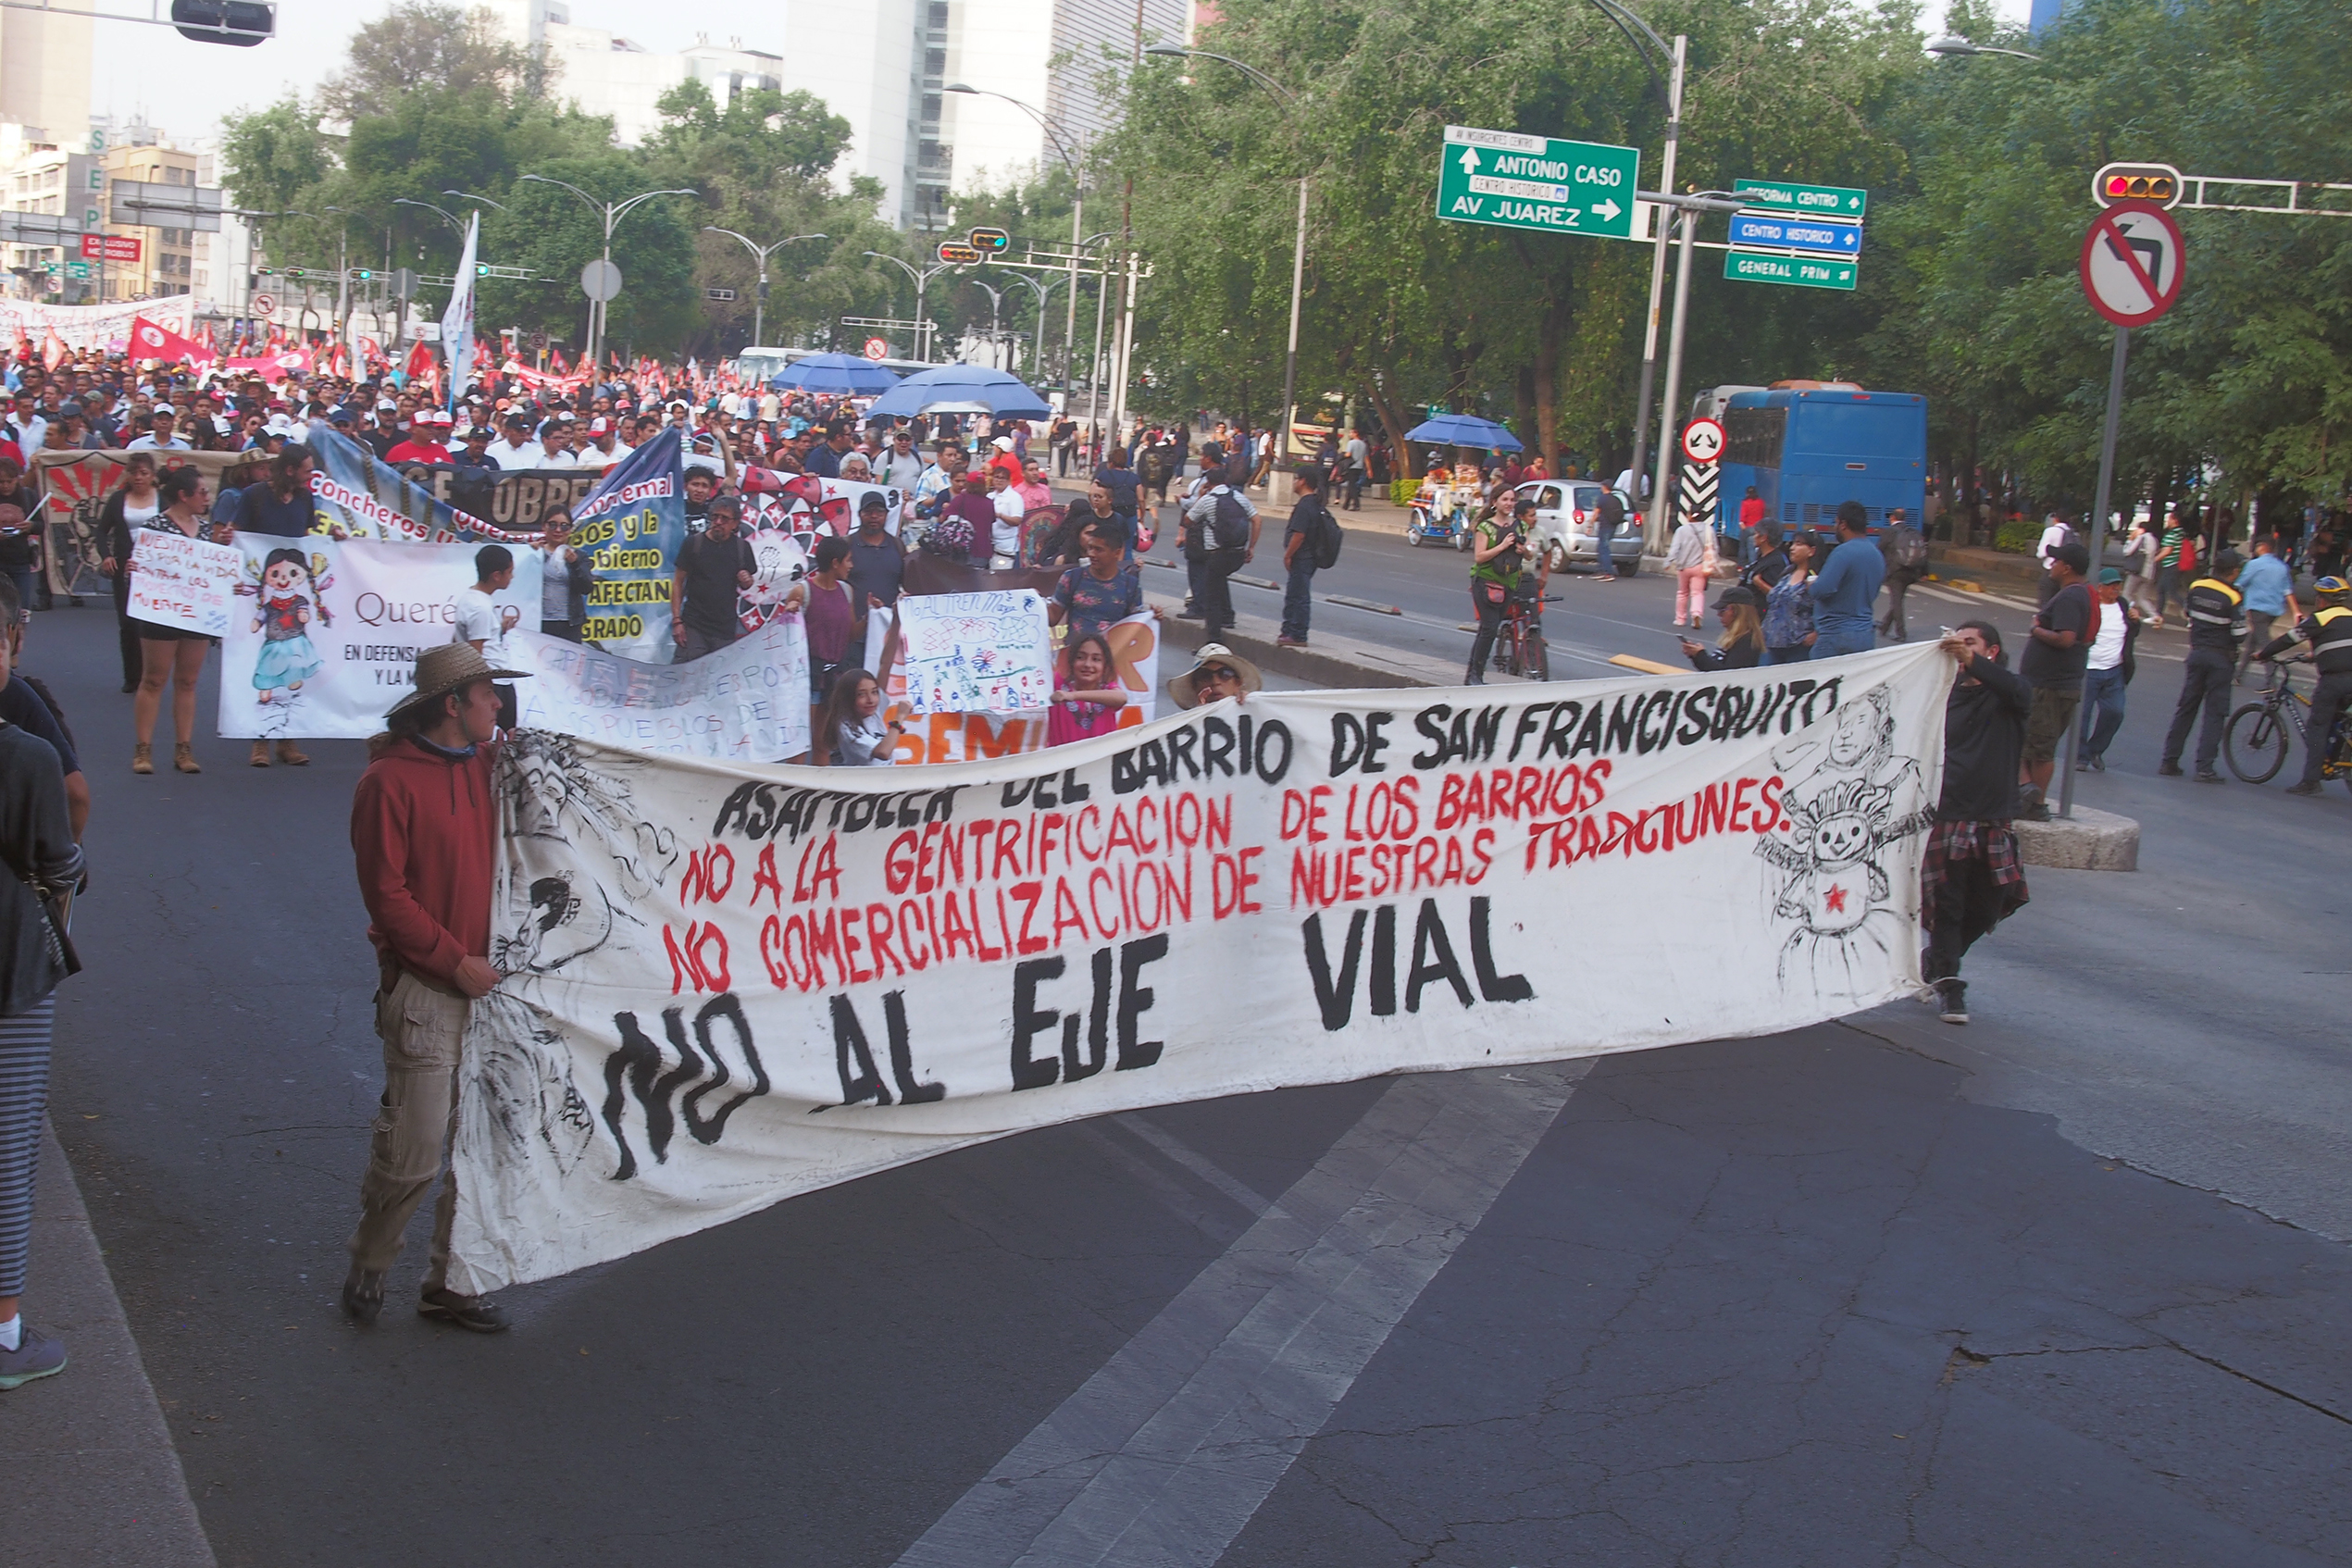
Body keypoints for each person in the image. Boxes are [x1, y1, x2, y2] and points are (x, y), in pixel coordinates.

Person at [342, 643, 528, 1334]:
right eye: (488, 695)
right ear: (453, 704)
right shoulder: (387, 784)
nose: (499, 706)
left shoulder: (490, 769)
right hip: (428, 988)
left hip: (496, 992)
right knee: (415, 1151)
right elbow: (386, 897)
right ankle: (372, 1259)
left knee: (482, 1148)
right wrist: (453, 961)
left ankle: (453, 1281)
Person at [0, 596, 84, 1390]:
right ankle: (5, 1334)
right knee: (8, 1146)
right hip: (13, 968)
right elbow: (61, 862)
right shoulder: (23, 753)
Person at [1922, 622, 2032, 1026]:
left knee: (1989, 907)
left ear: (1993, 651)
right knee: (1948, 907)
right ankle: (1951, 986)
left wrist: (1974, 663)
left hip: (1992, 818)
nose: (1962, 650)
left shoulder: (2008, 696)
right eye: (1959, 643)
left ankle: (1936, 960)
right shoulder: (1943, 697)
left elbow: (2020, 691)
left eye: (1972, 644)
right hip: (1949, 815)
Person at [128, 467, 222, 776]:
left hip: (196, 615)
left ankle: (184, 748)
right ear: (184, 495)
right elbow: (142, 564)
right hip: (161, 614)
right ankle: (143, 748)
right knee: (154, 678)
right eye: (202, 491)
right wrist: (135, 567)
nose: (207, 497)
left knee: (188, 681)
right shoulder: (155, 527)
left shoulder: (207, 530)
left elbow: (214, 572)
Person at [2255, 575, 2352, 796]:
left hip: (2334, 682)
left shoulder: (2319, 619)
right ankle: (2334, 760)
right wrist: (2315, 655)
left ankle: (2311, 781)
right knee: (2338, 722)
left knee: (2317, 727)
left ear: (2322, 600)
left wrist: (2263, 653)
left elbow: (2288, 639)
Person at [2015, 541, 2092, 818]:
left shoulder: (2071, 597)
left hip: (2050, 685)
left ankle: (2036, 802)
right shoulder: (2077, 594)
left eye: (2056, 561)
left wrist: (2036, 630)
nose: (2052, 565)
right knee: (2029, 741)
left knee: (2040, 747)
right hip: (2054, 682)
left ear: (2067, 568)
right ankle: (2025, 793)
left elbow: (2065, 638)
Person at [2158, 547, 2246, 782]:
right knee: (2214, 714)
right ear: (2234, 572)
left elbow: (2189, 612)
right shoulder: (2234, 596)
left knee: (2186, 708)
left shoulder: (2197, 586)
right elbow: (2240, 634)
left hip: (2197, 654)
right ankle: (2204, 767)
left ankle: (2169, 760)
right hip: (2220, 659)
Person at [671, 494, 756, 662]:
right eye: (715, 517)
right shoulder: (693, 543)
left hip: (725, 629)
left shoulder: (741, 548)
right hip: (694, 625)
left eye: (724, 519)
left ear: (735, 523)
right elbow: (678, 583)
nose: (718, 522)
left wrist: (747, 580)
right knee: (687, 675)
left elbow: (748, 583)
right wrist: (677, 621)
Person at [1183, 458, 1259, 641]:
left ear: (1208, 482)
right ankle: (1228, 616)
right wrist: (1251, 547)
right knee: (1220, 581)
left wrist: (1200, 497)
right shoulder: (1239, 497)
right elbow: (1257, 520)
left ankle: (1213, 641)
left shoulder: (1208, 500)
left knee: (1212, 599)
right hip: (1237, 553)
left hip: (1216, 554)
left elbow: (1188, 521)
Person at [2075, 567, 2141, 773]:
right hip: (2089, 670)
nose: (2116, 588)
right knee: (2082, 716)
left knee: (2115, 712)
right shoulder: (2090, 606)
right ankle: (2081, 756)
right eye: (2112, 585)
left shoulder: (2122, 606)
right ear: (2100, 588)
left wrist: (2135, 620)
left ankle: (2096, 749)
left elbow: (2132, 633)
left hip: (2114, 670)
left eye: (2118, 585)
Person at [1465, 494, 1536, 684]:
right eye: (1504, 499)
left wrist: (1524, 550)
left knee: (1488, 629)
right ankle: (1475, 675)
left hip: (1510, 582)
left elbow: (1529, 555)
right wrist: (1503, 546)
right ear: (1495, 502)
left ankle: (1473, 673)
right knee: (1489, 628)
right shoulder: (1485, 527)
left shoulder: (1520, 526)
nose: (1509, 504)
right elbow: (1479, 557)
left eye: (1512, 500)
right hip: (1486, 581)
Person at [452, 544, 522, 731]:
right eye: (510, 572)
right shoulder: (479, 608)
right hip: (494, 681)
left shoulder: (473, 600)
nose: (512, 577)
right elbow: (476, 654)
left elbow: (461, 640)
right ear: (496, 575)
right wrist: (483, 691)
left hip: (497, 680)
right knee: (502, 737)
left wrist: (500, 629)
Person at [1050, 516, 1147, 642]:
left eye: (1099, 550)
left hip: (1112, 658)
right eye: (1090, 548)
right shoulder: (1071, 578)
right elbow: (1052, 617)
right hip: (1074, 657)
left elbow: (1137, 628)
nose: (1091, 554)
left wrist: (1154, 617)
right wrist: (1033, 602)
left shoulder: (1130, 585)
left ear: (1116, 553)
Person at [1808, 502, 1884, 659]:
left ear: (1843, 524)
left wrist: (1812, 585)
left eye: (1835, 522)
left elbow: (1822, 589)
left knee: (1823, 680)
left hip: (1836, 634)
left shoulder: (1842, 552)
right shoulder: (1876, 554)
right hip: (1865, 634)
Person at [801, 537, 857, 742]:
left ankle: (821, 774)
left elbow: (851, 634)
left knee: (824, 742)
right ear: (835, 563)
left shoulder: (846, 591)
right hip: (809, 675)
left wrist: (872, 616)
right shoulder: (802, 591)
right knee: (801, 742)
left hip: (834, 676)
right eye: (848, 560)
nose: (851, 566)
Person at [1278, 466, 1336, 647]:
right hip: (1309, 557)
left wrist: (1288, 555)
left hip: (1302, 557)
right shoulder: (1315, 504)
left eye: (1296, 479)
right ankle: (1289, 630)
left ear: (1303, 481)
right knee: (1295, 595)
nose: (1294, 482)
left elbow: (1299, 534)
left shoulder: (1304, 506)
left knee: (1298, 596)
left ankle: (1297, 633)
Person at [2233, 536, 2296, 682]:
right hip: (2274, 610)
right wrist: (2295, 611)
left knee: (2265, 644)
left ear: (2261, 547)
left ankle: (2271, 679)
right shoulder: (2282, 566)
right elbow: (2288, 591)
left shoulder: (2254, 564)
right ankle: (2238, 675)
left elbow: (2240, 584)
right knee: (2252, 642)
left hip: (2257, 608)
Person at [1049, 631, 1128, 747]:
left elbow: (1122, 698)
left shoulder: (1108, 691)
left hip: (1100, 762)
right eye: (1081, 657)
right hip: (1062, 762)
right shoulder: (1057, 685)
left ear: (1105, 666)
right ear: (1071, 662)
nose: (1087, 664)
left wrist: (1072, 696)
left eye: (1096, 659)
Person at [232, 445, 319, 539]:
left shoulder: (306, 497)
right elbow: (234, 534)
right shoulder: (253, 494)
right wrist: (225, 538)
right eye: (307, 472)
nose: (311, 476)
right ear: (290, 471)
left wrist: (332, 537)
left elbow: (305, 536)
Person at [534, 508, 593, 642]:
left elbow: (587, 588)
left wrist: (575, 564)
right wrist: (529, 552)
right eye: (553, 525)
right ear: (544, 526)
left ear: (570, 529)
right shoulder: (534, 553)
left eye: (564, 526)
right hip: (539, 622)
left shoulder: (580, 556)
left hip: (570, 624)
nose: (558, 530)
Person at [1761, 530, 1819, 665]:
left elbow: (1825, 607)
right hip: (1771, 641)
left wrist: (1817, 633)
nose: (1792, 548)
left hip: (1798, 645)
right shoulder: (1786, 575)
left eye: (1799, 544)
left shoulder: (1815, 578)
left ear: (1812, 551)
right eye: (1792, 543)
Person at [822, 667, 900, 766]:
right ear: (847, 698)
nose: (871, 700)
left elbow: (885, 666)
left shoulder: (874, 711)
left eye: (874, 692)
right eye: (861, 694)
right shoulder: (846, 727)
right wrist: (899, 719)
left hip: (885, 778)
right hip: (863, 779)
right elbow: (883, 753)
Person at [1680, 584, 1763, 671]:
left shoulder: (1746, 640)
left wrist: (1700, 655)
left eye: (1722, 610)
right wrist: (1695, 656)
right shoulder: (1735, 636)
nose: (1718, 614)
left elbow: (1726, 674)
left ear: (1736, 612)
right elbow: (1714, 667)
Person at [1877, 506, 1926, 641]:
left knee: (1896, 602)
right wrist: (1924, 572)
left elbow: (1879, 550)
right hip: (1911, 572)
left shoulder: (1889, 532)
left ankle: (1901, 633)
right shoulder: (1913, 532)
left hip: (1895, 572)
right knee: (1897, 600)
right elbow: (1922, 551)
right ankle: (1885, 626)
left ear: (1892, 518)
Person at [1168, 642, 1262, 709]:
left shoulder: (1251, 714)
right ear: (1195, 686)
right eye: (1205, 675)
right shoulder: (1186, 727)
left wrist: (1251, 705)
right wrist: (1199, 716)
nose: (1215, 682)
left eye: (1225, 674)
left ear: (1237, 684)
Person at [1666, 508, 1711, 628]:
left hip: (1684, 566)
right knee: (1697, 593)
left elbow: (1675, 548)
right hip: (1700, 566)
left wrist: (1668, 561)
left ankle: (1680, 619)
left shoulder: (1681, 530)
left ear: (1690, 516)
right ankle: (1697, 613)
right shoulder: (1709, 530)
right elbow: (1714, 548)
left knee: (1682, 593)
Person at [2151, 511, 2188, 625]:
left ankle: (2191, 612)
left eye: (2169, 519)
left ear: (2175, 520)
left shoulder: (2172, 535)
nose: (2168, 521)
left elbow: (2167, 550)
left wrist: (2154, 559)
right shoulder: (2181, 533)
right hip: (2174, 566)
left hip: (2171, 566)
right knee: (2161, 590)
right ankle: (2158, 615)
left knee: (2172, 593)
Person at [2034, 511, 2073, 605]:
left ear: (2055, 519)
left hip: (2051, 570)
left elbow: (2041, 553)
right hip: (2066, 572)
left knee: (2045, 599)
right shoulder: (2072, 533)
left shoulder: (2050, 531)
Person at [1591, 484, 1624, 581]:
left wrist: (1590, 524)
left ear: (1605, 487)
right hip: (1612, 526)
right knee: (1602, 548)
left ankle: (1607, 572)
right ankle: (1601, 570)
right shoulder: (1616, 499)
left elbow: (1596, 512)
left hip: (1605, 526)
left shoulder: (1602, 499)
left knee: (1604, 549)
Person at [1737, 485, 1768, 564]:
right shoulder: (1761, 502)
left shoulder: (1745, 503)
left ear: (1747, 494)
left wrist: (1743, 528)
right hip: (1758, 529)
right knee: (1752, 545)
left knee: (1743, 545)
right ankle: (1753, 564)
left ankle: (1741, 564)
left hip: (1749, 527)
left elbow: (1742, 520)